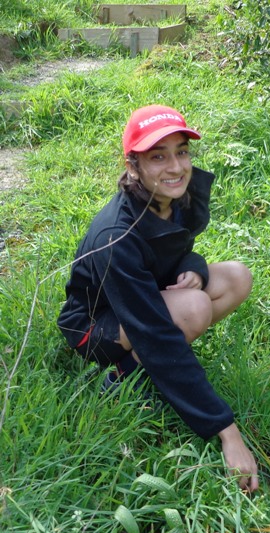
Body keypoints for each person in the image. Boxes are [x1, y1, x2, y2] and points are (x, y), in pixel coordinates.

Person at [57, 104, 259, 492]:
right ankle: (122, 377)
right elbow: (154, 332)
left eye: (181, 151)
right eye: (158, 157)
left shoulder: (175, 197)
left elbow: (175, 250)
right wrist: (226, 431)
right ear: (133, 166)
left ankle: (156, 355)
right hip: (95, 326)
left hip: (144, 295)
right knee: (193, 308)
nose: (176, 167)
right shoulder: (115, 236)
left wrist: (195, 267)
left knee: (237, 277)